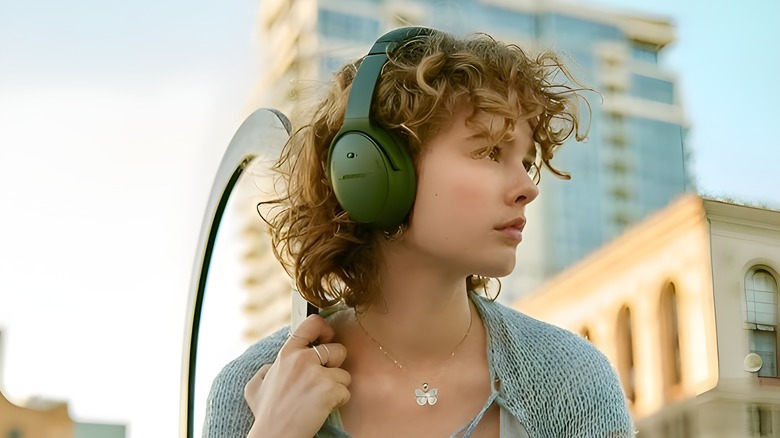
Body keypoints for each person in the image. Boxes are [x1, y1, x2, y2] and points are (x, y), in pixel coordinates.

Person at [203, 26, 635, 438]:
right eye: (489, 151)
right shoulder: (250, 390)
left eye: (524, 161)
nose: (527, 188)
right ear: (371, 173)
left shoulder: (571, 379)